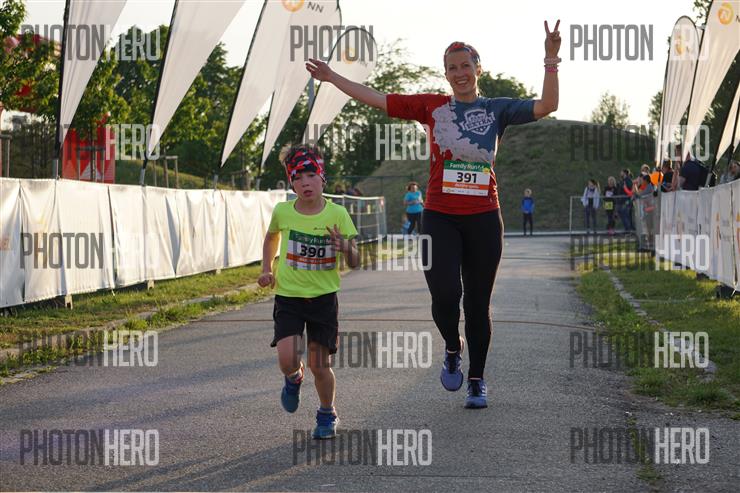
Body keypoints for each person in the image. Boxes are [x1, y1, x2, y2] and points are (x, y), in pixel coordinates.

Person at [306, 20, 561, 409]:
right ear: (446, 75)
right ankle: (452, 346)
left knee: (477, 304)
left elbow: (547, 106)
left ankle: (476, 380)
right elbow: (377, 98)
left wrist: (550, 59)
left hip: (483, 217)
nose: (460, 73)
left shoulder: (497, 109)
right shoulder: (432, 106)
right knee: (444, 295)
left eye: (466, 66)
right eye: (452, 68)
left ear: (478, 69)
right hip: (439, 216)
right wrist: (331, 77)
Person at [258, 144, 359, 439]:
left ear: (322, 178)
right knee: (287, 360)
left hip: (323, 300)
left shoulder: (338, 214)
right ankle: (294, 377)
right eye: (298, 178)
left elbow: (355, 261)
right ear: (291, 183)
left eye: (311, 175)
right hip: (289, 297)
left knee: (320, 364)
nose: (305, 183)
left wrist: (346, 247)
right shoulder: (283, 211)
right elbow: (271, 238)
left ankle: (327, 413)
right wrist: (266, 268)